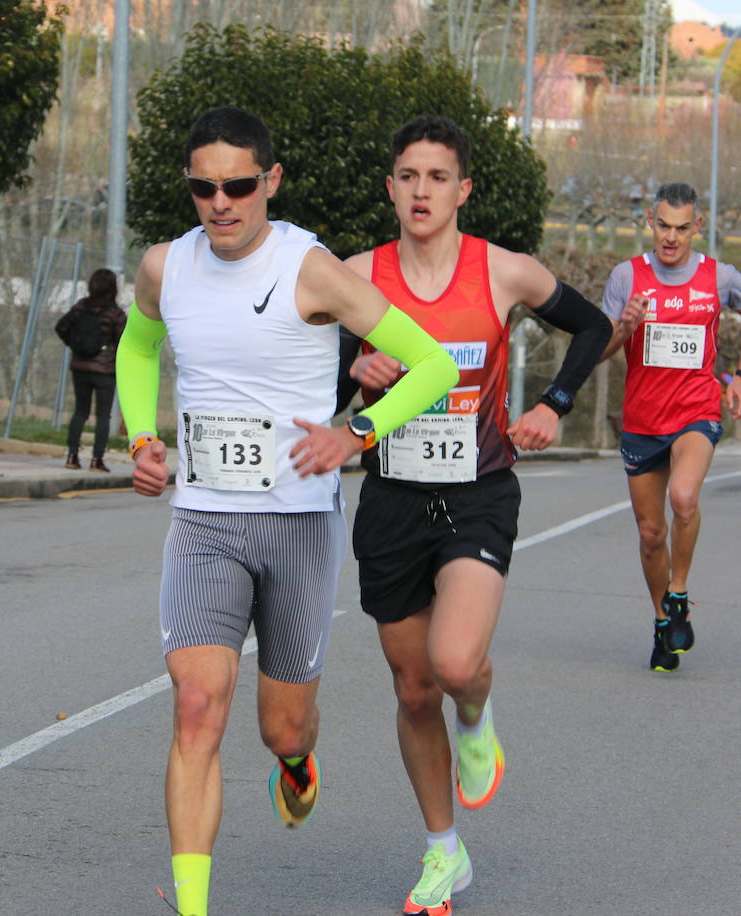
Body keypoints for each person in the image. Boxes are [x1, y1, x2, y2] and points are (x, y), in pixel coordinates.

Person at [114, 107, 458, 916]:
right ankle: (192, 906)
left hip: (298, 527)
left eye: (238, 185)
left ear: (269, 181)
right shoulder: (166, 267)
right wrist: (140, 438)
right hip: (204, 522)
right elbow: (137, 346)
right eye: (204, 187)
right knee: (196, 704)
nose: (221, 203)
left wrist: (356, 434)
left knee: (283, 729)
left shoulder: (311, 269)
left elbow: (432, 365)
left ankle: (298, 762)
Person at [337, 114, 613, 916]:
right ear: (390, 187)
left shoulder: (503, 273)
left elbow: (593, 326)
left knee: (454, 666)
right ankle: (441, 850)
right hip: (390, 497)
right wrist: (354, 371)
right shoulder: (355, 275)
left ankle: (479, 709)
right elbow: (311, 383)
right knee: (412, 686)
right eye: (407, 176)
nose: (421, 191)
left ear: (463, 190)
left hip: (477, 490)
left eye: (437, 177)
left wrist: (555, 404)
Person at [599, 181, 741, 672]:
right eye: (662, 227)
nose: (671, 239)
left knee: (685, 498)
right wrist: (623, 329)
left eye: (681, 228)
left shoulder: (720, 277)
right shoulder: (627, 277)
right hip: (643, 420)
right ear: (650, 222)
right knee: (651, 534)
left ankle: (679, 592)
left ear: (699, 224)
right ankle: (659, 621)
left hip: (696, 411)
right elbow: (598, 351)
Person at [55, 267, 127, 472]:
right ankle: (97, 460)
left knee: (80, 412)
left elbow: (61, 327)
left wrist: (76, 346)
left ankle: (72, 455)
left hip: (80, 367)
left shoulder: (80, 307)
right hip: (105, 370)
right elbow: (124, 342)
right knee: (103, 416)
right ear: (113, 289)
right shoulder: (116, 313)